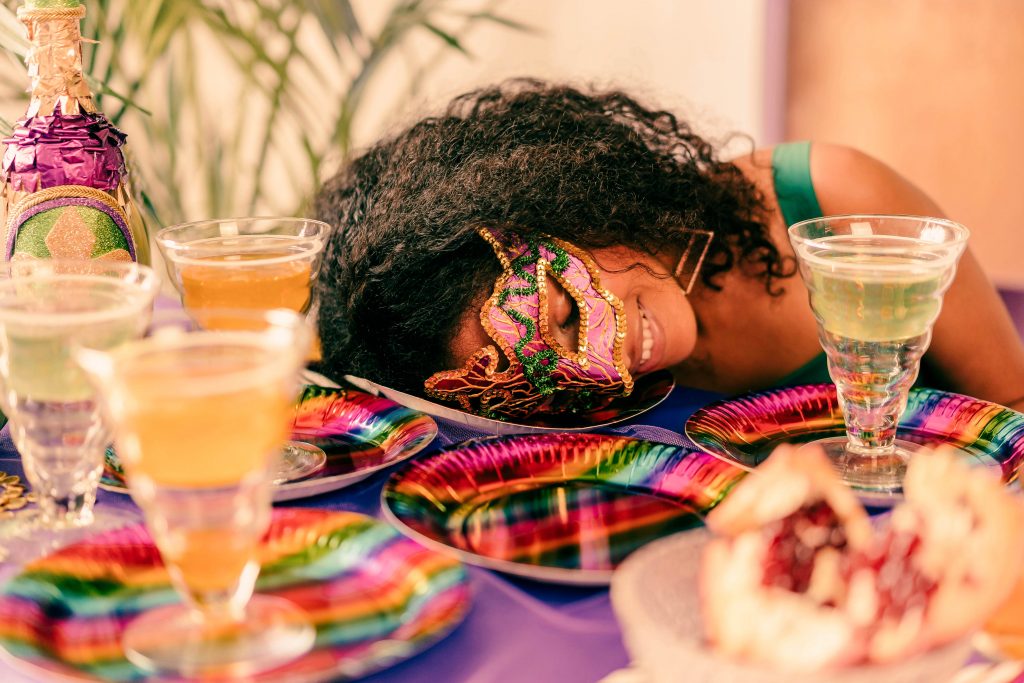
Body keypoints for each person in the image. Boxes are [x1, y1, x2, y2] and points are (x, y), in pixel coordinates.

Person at [312, 78, 1024, 420]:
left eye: (564, 315)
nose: (604, 364)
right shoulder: (580, 408)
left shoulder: (837, 203)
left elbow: (1013, 408)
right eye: (540, 384)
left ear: (569, 206)